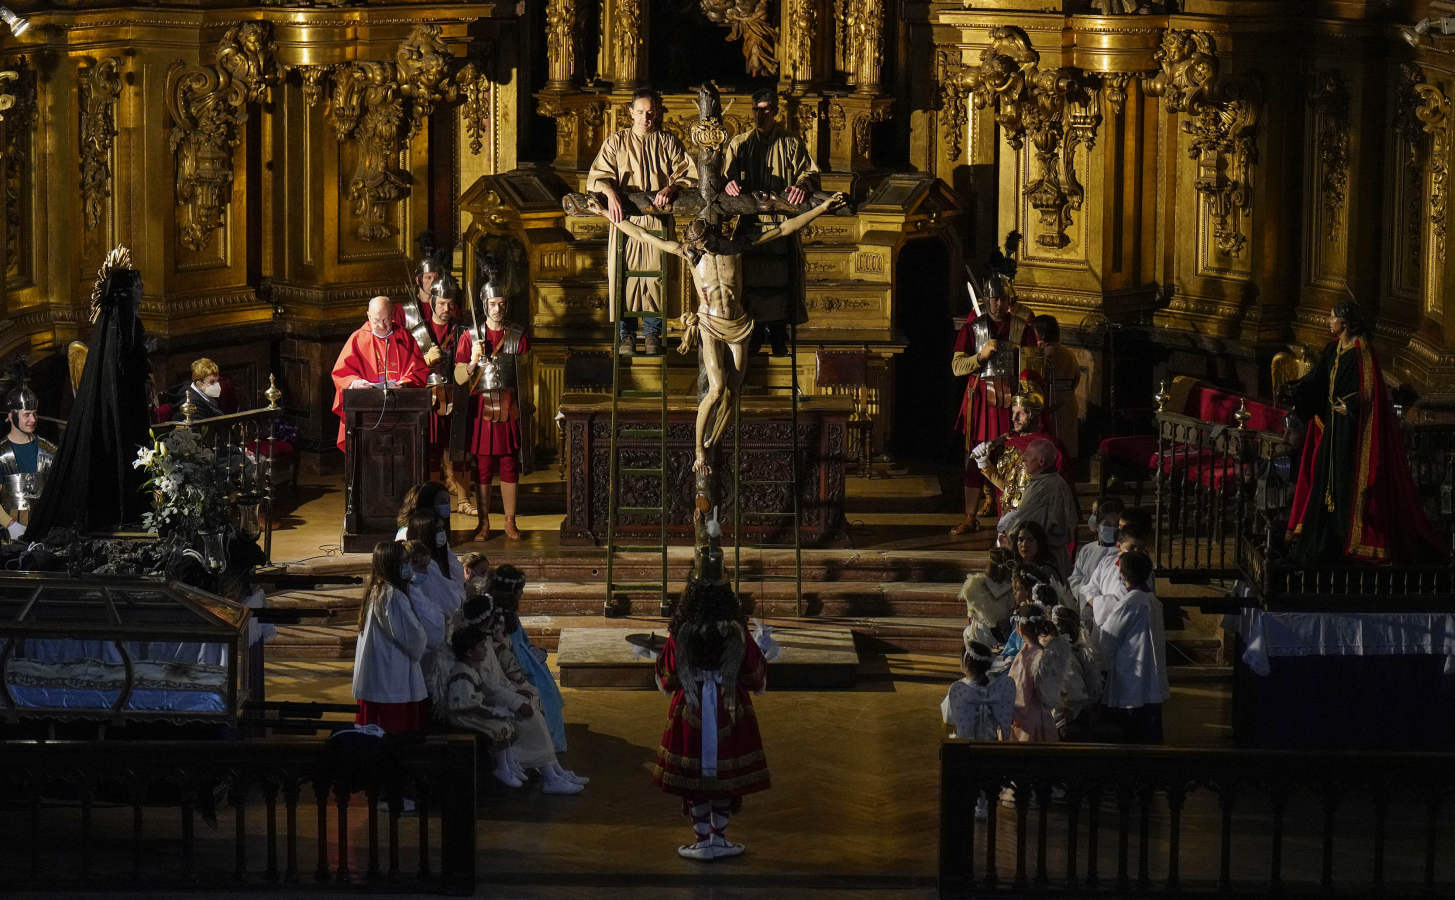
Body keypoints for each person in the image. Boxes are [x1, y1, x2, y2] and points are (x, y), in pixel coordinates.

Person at [588, 192, 847, 473]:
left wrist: (821, 208)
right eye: (695, 244)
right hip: (710, 324)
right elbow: (644, 235)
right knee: (717, 388)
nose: (698, 247)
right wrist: (605, 214)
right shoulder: (689, 254)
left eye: (702, 243)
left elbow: (784, 229)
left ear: (711, 237)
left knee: (734, 393)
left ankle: (712, 443)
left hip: (739, 324)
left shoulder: (735, 247)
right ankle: (699, 450)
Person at [1283, 302, 1446, 565]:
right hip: (1332, 431)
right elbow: (1317, 380)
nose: (1328, 321)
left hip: (1352, 434)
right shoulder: (1332, 349)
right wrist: (1295, 390)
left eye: (1332, 317)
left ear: (1345, 323)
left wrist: (1350, 404)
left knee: (1347, 486)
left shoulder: (1362, 352)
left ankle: (1347, 542)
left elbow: (1370, 392)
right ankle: (1324, 542)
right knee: (1324, 481)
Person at [653, 576, 770, 861]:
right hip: (728, 707)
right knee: (724, 777)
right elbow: (753, 673)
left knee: (696, 780)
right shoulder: (736, 631)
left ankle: (702, 840)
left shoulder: (682, 630)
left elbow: (668, 675)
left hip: (691, 707)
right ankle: (719, 839)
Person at [587, 87, 695, 357]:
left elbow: (687, 173)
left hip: (656, 221)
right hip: (624, 221)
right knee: (623, 275)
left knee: (655, 277)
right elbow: (598, 175)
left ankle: (652, 333)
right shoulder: (617, 142)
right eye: (640, 112)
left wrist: (672, 188)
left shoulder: (667, 141)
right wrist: (610, 192)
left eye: (650, 112)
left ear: (655, 113)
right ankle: (626, 334)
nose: (646, 117)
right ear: (631, 112)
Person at [720, 88, 820, 357]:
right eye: (757, 109)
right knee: (749, 279)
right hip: (751, 223)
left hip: (782, 222)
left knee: (781, 278)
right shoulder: (740, 143)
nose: (760, 115)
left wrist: (802, 185)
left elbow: (809, 172)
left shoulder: (790, 142)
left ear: (775, 111)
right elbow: (724, 177)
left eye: (766, 109)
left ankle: (777, 332)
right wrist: (729, 184)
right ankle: (753, 331)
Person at [951, 275, 1042, 534]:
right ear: (987, 299)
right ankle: (970, 517)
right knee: (975, 456)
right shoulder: (973, 328)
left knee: (1012, 457)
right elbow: (957, 367)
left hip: (1012, 403)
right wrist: (980, 356)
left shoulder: (1022, 328)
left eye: (1003, 298)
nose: (999, 303)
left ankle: (1014, 514)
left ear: (1009, 300)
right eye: (994, 298)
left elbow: (1031, 368)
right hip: (981, 401)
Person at [455, 286, 530, 541]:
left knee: (509, 465)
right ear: (484, 304)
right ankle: (483, 523)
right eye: (493, 303)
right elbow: (459, 377)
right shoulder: (469, 336)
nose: (498, 308)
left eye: (502, 303)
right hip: (482, 409)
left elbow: (526, 378)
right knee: (484, 468)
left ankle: (510, 521)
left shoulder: (518, 335)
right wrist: (474, 360)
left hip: (508, 407)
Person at [329, 296, 430, 452]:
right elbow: (341, 373)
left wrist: (405, 383)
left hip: (400, 412)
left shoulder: (404, 337)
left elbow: (419, 370)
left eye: (386, 319)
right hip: (367, 411)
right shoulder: (358, 338)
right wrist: (355, 383)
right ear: (368, 316)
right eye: (376, 320)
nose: (382, 325)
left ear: (393, 315)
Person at [490, 564, 569, 754]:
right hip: (515, 666)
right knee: (542, 696)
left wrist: (533, 650)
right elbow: (507, 648)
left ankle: (552, 747)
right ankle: (546, 749)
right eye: (520, 591)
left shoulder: (509, 614)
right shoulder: (499, 616)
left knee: (548, 694)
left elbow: (522, 641)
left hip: (525, 659)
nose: (522, 595)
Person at [353, 541, 429, 734]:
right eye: (404, 562)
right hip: (391, 682)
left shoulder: (376, 590)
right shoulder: (392, 595)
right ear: (392, 565)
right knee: (392, 737)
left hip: (378, 677)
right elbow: (412, 636)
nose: (408, 566)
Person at [443, 623, 525, 788]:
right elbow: (467, 704)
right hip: (463, 717)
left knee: (508, 722)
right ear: (469, 652)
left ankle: (510, 763)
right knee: (500, 727)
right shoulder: (462, 673)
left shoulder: (472, 668)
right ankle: (502, 768)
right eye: (481, 646)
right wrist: (492, 712)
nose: (486, 649)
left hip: (471, 711)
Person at [1097, 550, 1165, 743]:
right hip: (1150, 677)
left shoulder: (1130, 602)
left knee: (1130, 734)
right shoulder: (1152, 600)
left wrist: (1100, 666)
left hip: (1131, 677)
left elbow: (1109, 636)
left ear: (1123, 576)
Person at [412, 275, 470, 502]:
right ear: (432, 303)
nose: (446, 308)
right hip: (431, 397)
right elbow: (409, 367)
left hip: (457, 394)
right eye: (441, 304)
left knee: (460, 450)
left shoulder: (462, 331)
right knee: (432, 452)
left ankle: (464, 500)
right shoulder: (419, 333)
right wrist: (424, 360)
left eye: (450, 304)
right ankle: (435, 500)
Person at [995, 439, 1079, 576]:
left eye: (1028, 454)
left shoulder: (1049, 487)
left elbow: (1027, 525)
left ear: (1041, 461)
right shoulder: (1043, 481)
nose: (1023, 458)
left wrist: (1008, 533)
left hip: (1045, 561)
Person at [0, 380, 56, 541]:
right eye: (26, 414)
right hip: (8, 535)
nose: (33, 419)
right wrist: (10, 524)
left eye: (34, 413)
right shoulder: (1, 454)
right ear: (11, 416)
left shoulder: (50, 451)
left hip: (45, 534)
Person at [1006, 602, 1066, 743]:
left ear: (1019, 628)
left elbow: (1020, 694)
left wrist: (1005, 711)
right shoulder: (1045, 653)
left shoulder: (1026, 657)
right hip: (1045, 718)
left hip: (1026, 723)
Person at [1033, 314, 1081, 462]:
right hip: (1068, 402)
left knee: (1052, 449)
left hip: (1050, 403)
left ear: (1041, 333)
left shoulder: (1041, 354)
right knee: (1067, 447)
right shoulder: (1069, 353)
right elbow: (1076, 379)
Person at [1050, 605, 1102, 740]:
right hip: (1078, 713)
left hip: (1070, 720)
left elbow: (1074, 696)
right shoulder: (1075, 650)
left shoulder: (1066, 657)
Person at [959, 547, 1016, 653]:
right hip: (1003, 635)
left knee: (968, 632)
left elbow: (970, 616)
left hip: (979, 633)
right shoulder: (1013, 587)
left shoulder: (975, 583)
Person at [1070, 497, 1124, 595]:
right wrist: (1085, 595)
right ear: (1098, 525)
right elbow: (1075, 578)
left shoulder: (1123, 551)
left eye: (1115, 525)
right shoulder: (1087, 550)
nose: (1111, 528)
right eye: (1107, 524)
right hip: (1085, 603)